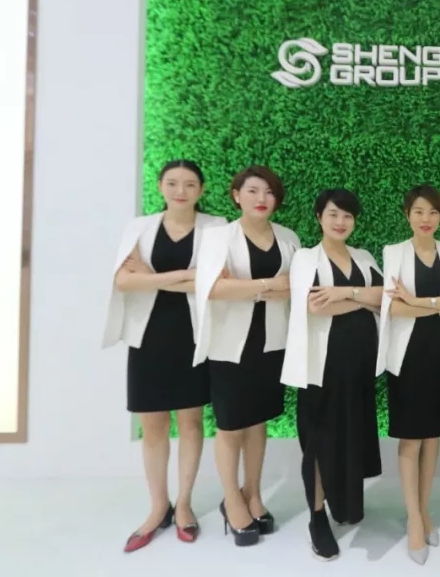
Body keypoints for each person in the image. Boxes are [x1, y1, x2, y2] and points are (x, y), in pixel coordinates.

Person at [103, 159, 226, 552]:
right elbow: (123, 281)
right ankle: (159, 506)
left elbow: (213, 282)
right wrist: (180, 277)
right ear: (160, 186)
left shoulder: (216, 227)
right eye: (172, 183)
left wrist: (149, 276)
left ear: (201, 190)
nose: (181, 191)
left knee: (191, 422)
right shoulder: (139, 227)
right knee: (153, 425)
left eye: (190, 184)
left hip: (193, 334)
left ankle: (184, 504)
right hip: (148, 335)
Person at [193, 166, 302, 547]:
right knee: (230, 424)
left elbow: (297, 287)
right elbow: (212, 288)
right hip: (230, 345)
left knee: (258, 420)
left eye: (269, 192)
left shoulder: (288, 238)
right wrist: (268, 285)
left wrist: (244, 286)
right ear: (236, 194)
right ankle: (231, 499)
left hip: (272, 341)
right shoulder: (218, 236)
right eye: (253, 190)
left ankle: (253, 493)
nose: (262, 198)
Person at [282, 188, 384, 561]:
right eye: (333, 214)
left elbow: (386, 297)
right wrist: (361, 298)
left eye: (347, 216)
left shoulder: (364, 257)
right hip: (320, 368)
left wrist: (343, 294)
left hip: (358, 366)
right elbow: (315, 306)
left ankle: (345, 504)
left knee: (349, 435)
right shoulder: (305, 258)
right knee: (318, 441)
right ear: (319, 217)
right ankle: (317, 516)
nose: (340, 222)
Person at [378, 184, 440, 565]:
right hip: (408, 355)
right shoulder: (394, 252)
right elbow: (393, 309)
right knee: (411, 437)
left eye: (433, 212)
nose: (426, 218)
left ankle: (425, 508)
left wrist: (417, 300)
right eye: (418, 211)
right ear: (407, 215)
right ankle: (414, 518)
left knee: (433, 435)